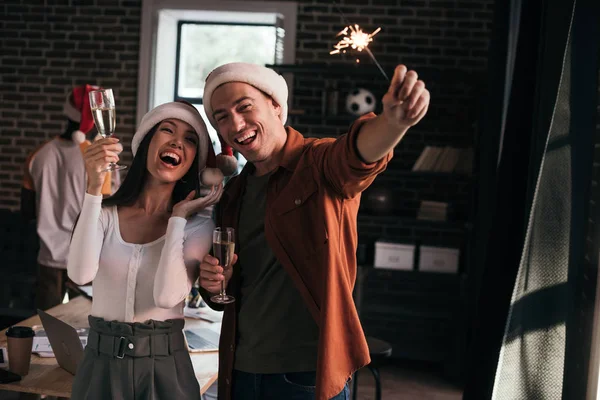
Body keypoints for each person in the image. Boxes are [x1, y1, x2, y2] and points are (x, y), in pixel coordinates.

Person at [196, 62, 430, 400]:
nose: (236, 123)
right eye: (221, 117)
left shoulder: (318, 163)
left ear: (275, 106)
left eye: (245, 107)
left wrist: (393, 122)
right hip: (240, 371)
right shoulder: (234, 193)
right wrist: (213, 282)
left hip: (306, 375)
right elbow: (229, 292)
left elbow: (357, 156)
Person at [67, 101, 225, 400]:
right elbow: (80, 274)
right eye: (167, 130)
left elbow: (166, 297)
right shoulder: (104, 214)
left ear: (194, 160)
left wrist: (178, 217)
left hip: (165, 368)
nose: (178, 141)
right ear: (146, 142)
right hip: (100, 365)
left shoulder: (197, 225)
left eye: (190, 139)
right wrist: (93, 186)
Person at [21, 84, 115, 311]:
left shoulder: (39, 154)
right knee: (85, 323)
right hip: (85, 256)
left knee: (45, 327)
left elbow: (27, 212)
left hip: (48, 257)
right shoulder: (97, 157)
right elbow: (106, 209)